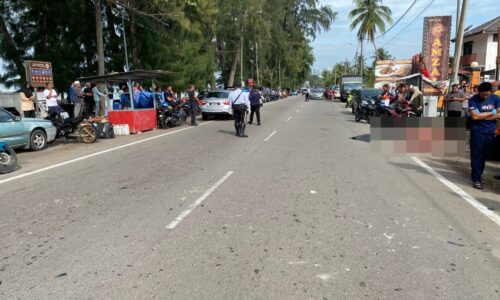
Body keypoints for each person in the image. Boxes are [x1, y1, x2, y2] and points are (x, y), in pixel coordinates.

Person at [468, 82, 500, 189]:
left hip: (491, 131)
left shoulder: (495, 98)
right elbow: (475, 117)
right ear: (478, 92)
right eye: (482, 94)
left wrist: (484, 116)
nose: (485, 96)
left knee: (488, 153)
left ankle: (477, 174)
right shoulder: (473, 100)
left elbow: (499, 114)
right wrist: (493, 112)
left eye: (487, 94)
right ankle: (477, 178)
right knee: (477, 154)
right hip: (477, 131)